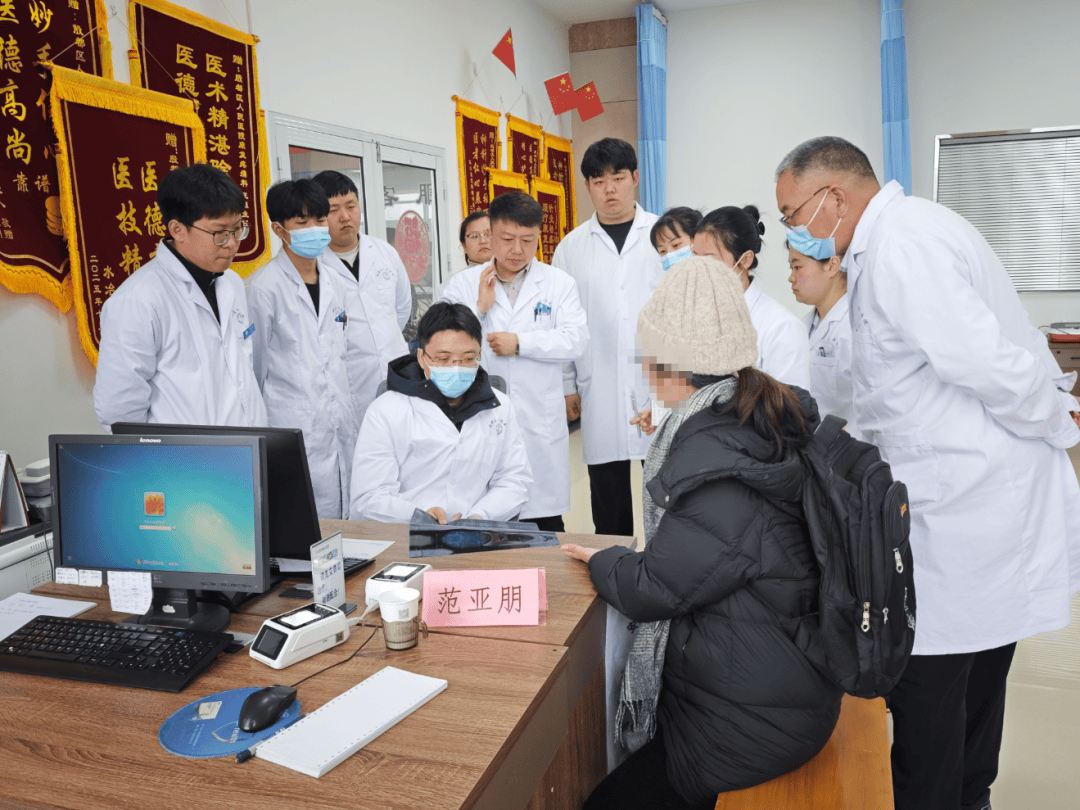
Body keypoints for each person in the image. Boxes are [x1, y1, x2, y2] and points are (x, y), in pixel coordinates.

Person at [775, 135, 1080, 810]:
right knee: (972, 673)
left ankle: (952, 798)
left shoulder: (902, 246)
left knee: (934, 685)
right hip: (962, 501)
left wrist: (1058, 423)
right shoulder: (890, 242)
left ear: (833, 198)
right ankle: (968, 796)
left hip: (966, 502)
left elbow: (988, 365)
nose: (791, 229)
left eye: (792, 213)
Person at [563, 255, 843, 810]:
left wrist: (600, 559)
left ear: (670, 368)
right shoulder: (756, 418)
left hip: (755, 721)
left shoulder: (718, 462)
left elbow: (655, 588)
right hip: (780, 675)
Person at [440, 192, 587, 532]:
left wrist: (521, 343)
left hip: (539, 421)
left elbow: (577, 339)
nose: (518, 249)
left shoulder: (558, 283)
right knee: (484, 521)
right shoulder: (463, 285)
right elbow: (442, 344)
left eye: (528, 240)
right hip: (481, 418)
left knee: (544, 522)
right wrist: (478, 309)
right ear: (490, 235)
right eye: (507, 239)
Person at [93, 163, 267, 430]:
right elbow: (119, 411)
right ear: (177, 230)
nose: (232, 243)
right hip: (186, 455)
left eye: (237, 230)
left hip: (249, 446)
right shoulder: (138, 301)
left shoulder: (230, 283)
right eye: (220, 233)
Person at [552, 137, 663, 537]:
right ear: (587, 186)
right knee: (607, 499)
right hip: (597, 385)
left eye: (618, 178)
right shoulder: (570, 248)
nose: (609, 189)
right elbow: (562, 324)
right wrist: (568, 385)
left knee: (666, 494)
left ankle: (667, 567)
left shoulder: (664, 238)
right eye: (599, 181)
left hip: (659, 384)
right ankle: (614, 569)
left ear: (635, 178)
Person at [350, 301, 532, 524]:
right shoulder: (385, 410)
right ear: (421, 357)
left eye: (468, 358)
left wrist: (480, 516)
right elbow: (369, 496)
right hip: (407, 532)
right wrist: (418, 516)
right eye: (443, 359)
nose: (457, 368)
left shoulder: (500, 406)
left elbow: (514, 480)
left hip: (477, 532)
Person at [247, 179, 358, 519]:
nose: (315, 229)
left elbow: (339, 352)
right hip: (292, 421)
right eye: (302, 222)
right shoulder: (262, 288)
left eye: (320, 220)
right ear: (279, 229)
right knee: (301, 516)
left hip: (338, 418)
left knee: (347, 513)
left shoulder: (336, 281)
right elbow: (254, 370)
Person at [311, 170, 409, 421]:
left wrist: (379, 337)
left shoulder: (385, 252)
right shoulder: (314, 265)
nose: (345, 217)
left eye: (351, 206)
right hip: (350, 378)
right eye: (333, 210)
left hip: (397, 371)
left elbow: (402, 308)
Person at [692, 206, 811, 390]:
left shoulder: (781, 328)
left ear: (745, 260)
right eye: (695, 257)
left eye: (709, 259)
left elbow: (791, 406)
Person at [786, 242, 861, 439]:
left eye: (797, 267)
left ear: (832, 266)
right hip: (813, 445)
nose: (791, 277)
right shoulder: (804, 325)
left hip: (852, 444)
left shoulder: (855, 326)